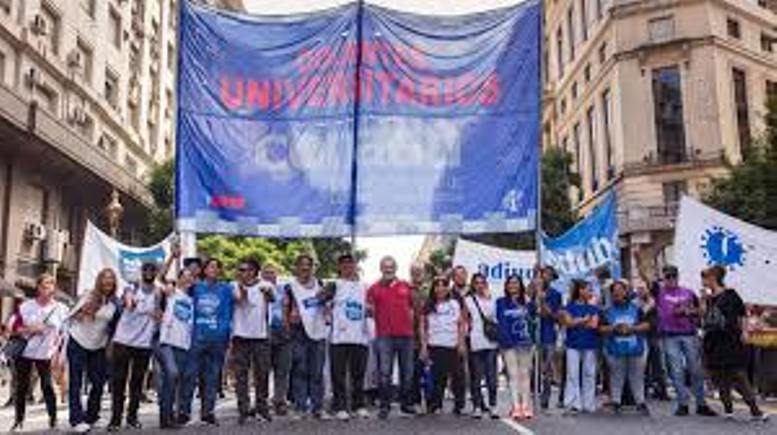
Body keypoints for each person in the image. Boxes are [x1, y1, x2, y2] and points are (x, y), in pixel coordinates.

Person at [700, 265, 767, 421]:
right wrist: (703, 300)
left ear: (713, 278)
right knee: (719, 375)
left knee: (738, 374)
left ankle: (755, 411)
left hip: (730, 339)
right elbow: (704, 318)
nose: (703, 281)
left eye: (705, 278)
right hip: (713, 341)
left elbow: (742, 313)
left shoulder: (731, 294)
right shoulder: (709, 298)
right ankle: (728, 410)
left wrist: (744, 331)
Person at [108, 262, 163, 431]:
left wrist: (158, 315)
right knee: (118, 381)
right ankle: (115, 419)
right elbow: (128, 302)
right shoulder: (131, 287)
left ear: (156, 273)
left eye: (152, 270)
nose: (148, 272)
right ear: (141, 272)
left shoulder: (158, 292)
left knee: (137, 383)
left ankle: (132, 417)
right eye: (145, 270)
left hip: (143, 343)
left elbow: (160, 314)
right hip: (123, 341)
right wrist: (130, 301)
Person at [656, 265, 716, 417]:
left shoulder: (689, 292)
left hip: (689, 334)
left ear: (677, 277)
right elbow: (644, 276)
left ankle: (701, 404)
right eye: (667, 277)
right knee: (676, 371)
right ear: (663, 278)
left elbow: (701, 311)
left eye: (673, 276)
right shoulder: (659, 292)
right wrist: (638, 259)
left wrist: (688, 311)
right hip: (669, 336)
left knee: (696, 369)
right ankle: (682, 404)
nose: (671, 280)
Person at [10, 274, 68, 432]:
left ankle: (53, 419)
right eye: (44, 286)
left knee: (47, 386)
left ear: (53, 288)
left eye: (50, 286)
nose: (47, 289)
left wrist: (59, 352)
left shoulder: (61, 309)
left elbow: (64, 333)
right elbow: (13, 329)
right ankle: (19, 420)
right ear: (38, 287)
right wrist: (31, 329)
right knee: (21, 387)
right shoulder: (25, 306)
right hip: (25, 352)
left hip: (47, 353)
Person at [180, 258, 234, 426]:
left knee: (211, 378)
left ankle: (208, 412)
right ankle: (184, 411)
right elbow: (178, 287)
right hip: (196, 338)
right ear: (205, 270)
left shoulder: (226, 288)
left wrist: (229, 335)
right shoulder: (196, 287)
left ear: (220, 271)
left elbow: (239, 300)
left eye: (217, 267)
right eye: (211, 266)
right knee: (189, 376)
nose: (214, 269)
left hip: (218, 339)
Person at [67, 268, 121, 433]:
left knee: (98, 383)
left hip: (98, 346)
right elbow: (71, 316)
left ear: (114, 283)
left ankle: (91, 416)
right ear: (99, 281)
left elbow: (114, 327)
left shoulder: (115, 303)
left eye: (111, 279)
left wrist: (110, 346)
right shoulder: (89, 296)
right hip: (78, 342)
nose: (107, 281)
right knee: (76, 382)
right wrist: (84, 311)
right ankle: (76, 419)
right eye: (104, 278)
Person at [366, 256, 416, 419]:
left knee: (407, 373)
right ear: (381, 269)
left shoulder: (406, 286)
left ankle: (406, 404)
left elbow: (414, 308)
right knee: (384, 373)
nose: (388, 269)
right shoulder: (373, 288)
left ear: (396, 268)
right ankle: (384, 406)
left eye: (391, 267)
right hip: (384, 336)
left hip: (406, 336)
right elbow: (369, 310)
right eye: (385, 267)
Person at [284, 254, 328, 419]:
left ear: (312, 267)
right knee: (300, 371)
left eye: (308, 265)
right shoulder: (290, 286)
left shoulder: (321, 284)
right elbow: (285, 308)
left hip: (318, 331)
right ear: (296, 267)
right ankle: (300, 407)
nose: (305, 268)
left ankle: (317, 408)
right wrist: (288, 326)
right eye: (301, 265)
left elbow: (326, 307)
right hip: (298, 332)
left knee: (317, 371)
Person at [231, 258, 274, 424]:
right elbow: (240, 301)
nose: (243, 273)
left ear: (255, 271)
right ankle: (243, 410)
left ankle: (262, 408)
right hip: (240, 336)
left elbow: (272, 298)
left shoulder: (265, 285)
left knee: (261, 374)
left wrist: (267, 293)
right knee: (240, 376)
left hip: (260, 337)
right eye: (240, 270)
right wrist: (243, 290)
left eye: (247, 270)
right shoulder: (234, 286)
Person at [328, 253, 370, 420]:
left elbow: (372, 306)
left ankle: (358, 405)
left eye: (350, 264)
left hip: (360, 336)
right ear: (339, 267)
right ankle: (340, 407)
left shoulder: (364, 286)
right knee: (338, 375)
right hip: (338, 337)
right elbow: (318, 299)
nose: (347, 267)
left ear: (355, 266)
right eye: (344, 264)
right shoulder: (334, 284)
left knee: (358, 374)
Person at [599, 280, 651, 415]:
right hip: (615, 348)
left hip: (636, 348)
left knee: (637, 376)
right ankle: (616, 402)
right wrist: (614, 328)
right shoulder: (607, 311)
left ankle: (640, 402)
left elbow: (647, 324)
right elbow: (600, 328)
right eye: (614, 291)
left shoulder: (636, 308)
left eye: (620, 290)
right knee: (617, 375)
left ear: (626, 292)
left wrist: (632, 328)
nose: (617, 293)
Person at [420, 277, 466, 415]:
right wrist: (424, 346)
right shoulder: (428, 305)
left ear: (448, 288)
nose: (440, 289)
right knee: (438, 378)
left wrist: (461, 342)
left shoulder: (454, 304)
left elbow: (461, 324)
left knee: (458, 377)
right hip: (435, 345)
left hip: (452, 345)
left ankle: (459, 405)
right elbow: (422, 327)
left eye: (444, 286)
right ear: (433, 289)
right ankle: (436, 405)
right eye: (437, 286)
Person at [156, 269, 195, 429]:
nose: (188, 279)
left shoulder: (191, 300)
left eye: (190, 277)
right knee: (171, 375)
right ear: (178, 279)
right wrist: (173, 256)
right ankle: (165, 417)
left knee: (172, 381)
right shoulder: (171, 292)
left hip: (183, 345)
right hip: (167, 342)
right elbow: (158, 279)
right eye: (184, 276)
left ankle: (169, 417)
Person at [496, 275, 535, 420]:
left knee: (525, 374)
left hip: (525, 342)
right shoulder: (501, 302)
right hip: (508, 343)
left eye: (516, 283)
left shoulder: (527, 302)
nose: (513, 285)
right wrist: (503, 341)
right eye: (510, 283)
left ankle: (525, 405)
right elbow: (500, 322)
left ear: (520, 285)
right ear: (506, 286)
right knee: (513, 375)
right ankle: (516, 406)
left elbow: (533, 320)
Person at [560, 279, 599, 414]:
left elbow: (594, 325)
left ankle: (589, 403)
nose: (590, 292)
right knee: (572, 373)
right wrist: (583, 320)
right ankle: (573, 403)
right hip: (573, 344)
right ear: (580, 290)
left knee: (589, 374)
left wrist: (577, 322)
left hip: (590, 343)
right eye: (588, 289)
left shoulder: (593, 308)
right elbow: (568, 322)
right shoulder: (568, 307)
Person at [465, 273, 499, 419]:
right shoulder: (468, 300)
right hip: (476, 342)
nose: (479, 285)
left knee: (492, 378)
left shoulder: (493, 300)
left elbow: (497, 320)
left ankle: (493, 406)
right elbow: (464, 319)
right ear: (473, 285)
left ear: (486, 284)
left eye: (482, 282)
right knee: (477, 377)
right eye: (476, 282)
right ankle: (477, 406)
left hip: (491, 343)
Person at [263, 262, 292, 416]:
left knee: (282, 369)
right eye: (266, 272)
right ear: (261, 275)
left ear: (277, 275)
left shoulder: (284, 289)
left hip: (283, 331)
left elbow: (290, 307)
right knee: (263, 370)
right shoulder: (258, 290)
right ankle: (262, 402)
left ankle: (279, 401)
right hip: (264, 331)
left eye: (272, 272)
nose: (269, 275)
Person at [537, 266, 563, 410]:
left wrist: (543, 302)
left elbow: (554, 316)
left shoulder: (556, 295)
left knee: (546, 369)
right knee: (532, 368)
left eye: (548, 275)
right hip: (533, 334)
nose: (545, 277)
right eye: (542, 274)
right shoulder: (532, 290)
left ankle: (545, 399)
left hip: (548, 335)